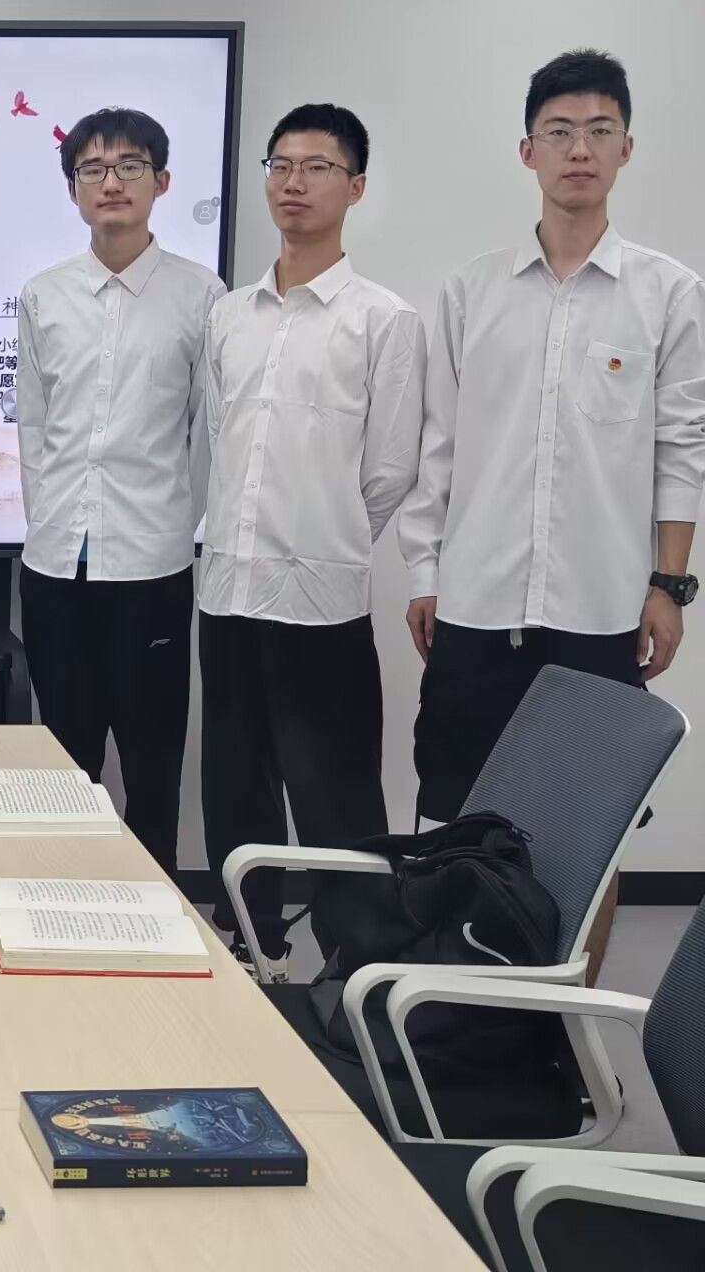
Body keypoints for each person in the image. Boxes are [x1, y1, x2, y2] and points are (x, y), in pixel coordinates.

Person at [399, 50, 705, 976]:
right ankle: (452, 1014)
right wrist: (425, 575)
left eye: (599, 131)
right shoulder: (473, 290)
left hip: (599, 613)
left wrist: (668, 587)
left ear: (626, 149)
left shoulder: (668, 293)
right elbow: (440, 446)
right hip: (477, 603)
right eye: (560, 131)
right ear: (527, 150)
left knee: (589, 834)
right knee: (455, 815)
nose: (580, 149)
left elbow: (681, 448)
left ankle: (566, 1020)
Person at [199, 104, 426, 975]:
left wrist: (322, 536)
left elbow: (388, 471)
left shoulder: (383, 320)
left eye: (318, 167)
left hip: (318, 598)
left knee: (336, 800)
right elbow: (220, 441)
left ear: (355, 187)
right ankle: (251, 950)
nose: (294, 183)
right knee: (234, 785)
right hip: (227, 588)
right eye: (281, 165)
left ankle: (355, 974)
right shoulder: (230, 315)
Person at [17, 107, 222, 874]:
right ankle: (61, 902)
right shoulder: (44, 295)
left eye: (129, 166)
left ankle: (153, 911)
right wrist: (48, 522)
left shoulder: (202, 296)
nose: (111, 183)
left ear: (160, 182)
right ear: (73, 189)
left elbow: (208, 433)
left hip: (152, 569)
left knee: (152, 764)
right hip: (54, 569)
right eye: (92, 170)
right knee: (63, 761)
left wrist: (174, 524)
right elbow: (34, 429)